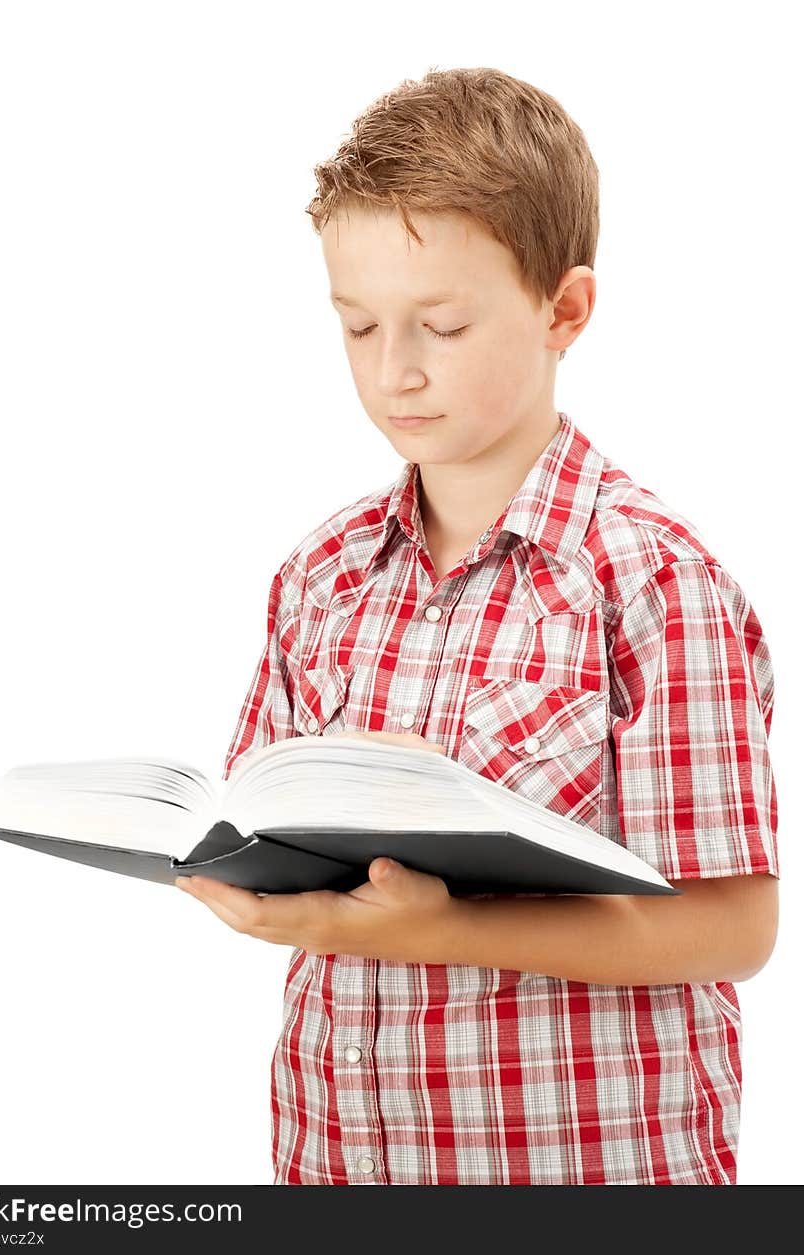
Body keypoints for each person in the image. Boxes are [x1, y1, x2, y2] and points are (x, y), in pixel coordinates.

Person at [175, 66, 780, 1185]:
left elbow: (730, 929)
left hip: (571, 1166)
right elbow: (263, 828)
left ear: (563, 310)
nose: (392, 370)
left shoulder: (649, 580)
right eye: (357, 325)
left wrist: (434, 926)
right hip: (335, 1150)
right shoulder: (321, 575)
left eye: (440, 325)